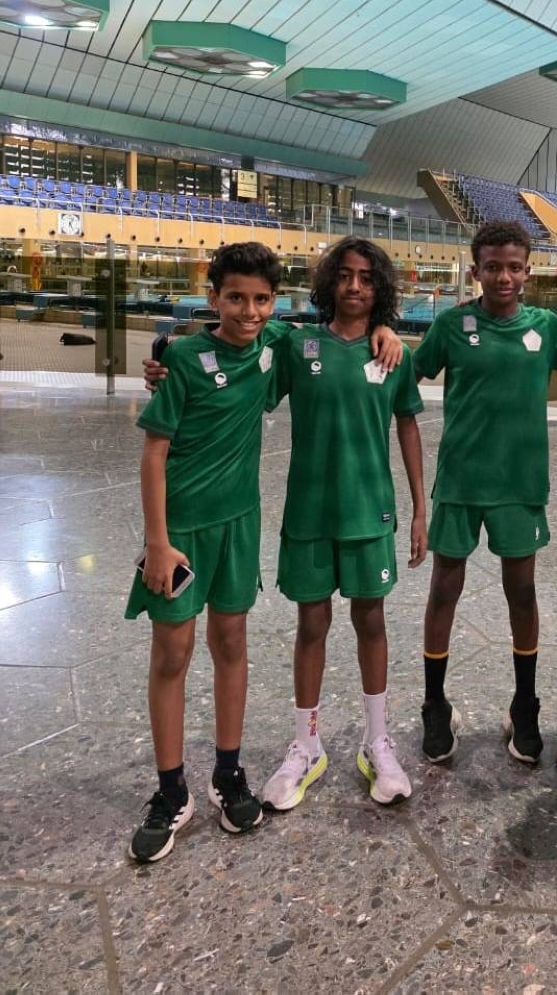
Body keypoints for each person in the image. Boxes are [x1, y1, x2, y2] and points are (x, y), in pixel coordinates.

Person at [125, 242, 284, 863]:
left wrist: (380, 329)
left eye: (262, 299)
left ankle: (228, 772)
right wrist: (158, 542)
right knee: (173, 652)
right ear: (213, 297)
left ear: (276, 302)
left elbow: (333, 336)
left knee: (231, 643)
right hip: (181, 534)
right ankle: (171, 791)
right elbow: (154, 454)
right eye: (236, 298)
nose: (249, 311)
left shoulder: (274, 349)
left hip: (239, 527)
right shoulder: (184, 360)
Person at [260, 237, 427, 810]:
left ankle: (376, 741)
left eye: (367, 278)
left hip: (369, 510)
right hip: (309, 511)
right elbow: (246, 378)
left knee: (371, 621)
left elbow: (408, 427)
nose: (355, 286)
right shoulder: (298, 345)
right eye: (345, 275)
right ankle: (306, 745)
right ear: (329, 281)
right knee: (312, 624)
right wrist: (170, 369)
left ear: (380, 288)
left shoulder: (391, 355)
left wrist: (419, 509)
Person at [413, 221, 557, 764]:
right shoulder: (451, 324)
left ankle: (525, 703)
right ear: (476, 271)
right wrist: (382, 339)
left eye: (514, 267)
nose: (504, 277)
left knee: (523, 591)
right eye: (493, 267)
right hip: (461, 481)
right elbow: (406, 375)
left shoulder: (546, 328)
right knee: (444, 589)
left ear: (528, 272)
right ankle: (434, 703)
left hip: (520, 484)